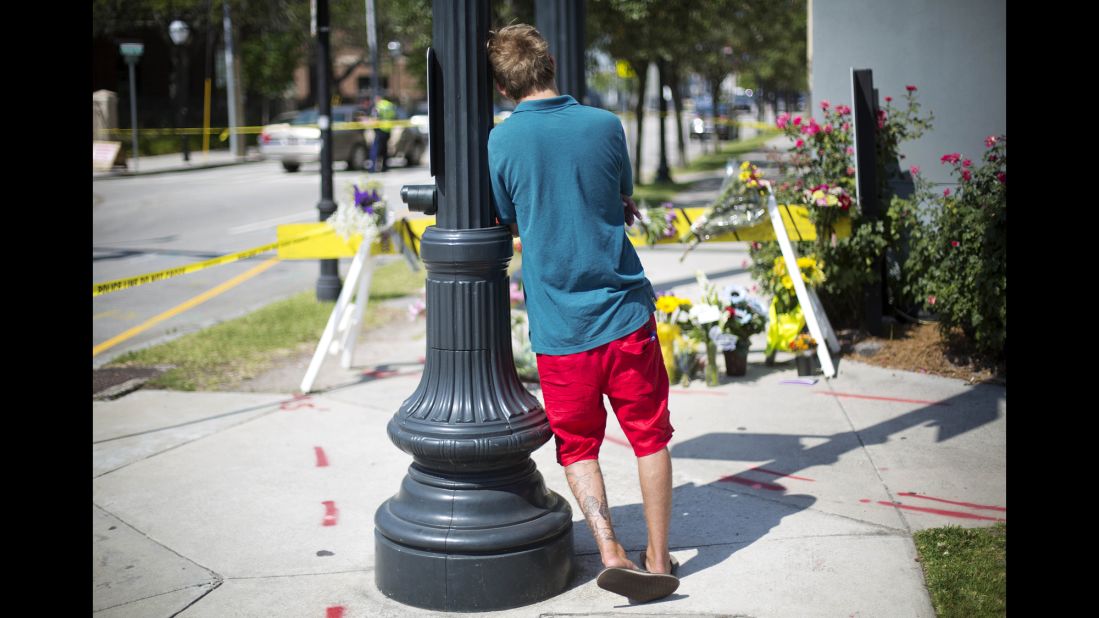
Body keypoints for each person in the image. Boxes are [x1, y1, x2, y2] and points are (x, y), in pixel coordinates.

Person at [486, 24, 679, 603]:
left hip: (561, 330)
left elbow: (509, 220)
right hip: (624, 316)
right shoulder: (604, 125)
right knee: (649, 437)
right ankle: (659, 554)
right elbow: (621, 201)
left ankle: (611, 552)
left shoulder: (501, 142)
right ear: (550, 63)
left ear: (501, 85)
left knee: (578, 445)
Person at [369, 93, 396, 172]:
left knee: (375, 149)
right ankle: (385, 167)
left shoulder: (378, 106)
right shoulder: (389, 105)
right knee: (384, 149)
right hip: (388, 130)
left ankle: (373, 168)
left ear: (377, 98)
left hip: (380, 129)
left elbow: (375, 118)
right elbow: (393, 116)